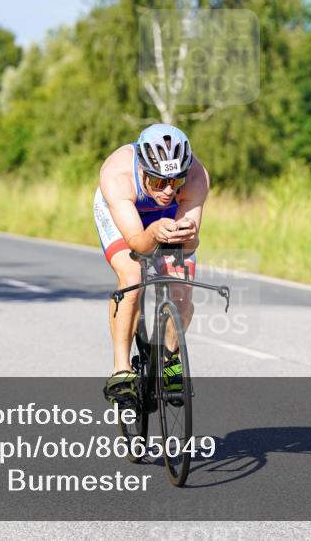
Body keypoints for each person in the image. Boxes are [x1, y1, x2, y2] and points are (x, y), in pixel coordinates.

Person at [93, 123, 210, 408]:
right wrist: (154, 232)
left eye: (176, 181)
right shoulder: (117, 175)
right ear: (143, 170)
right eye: (159, 182)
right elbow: (136, 242)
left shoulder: (197, 177)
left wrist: (186, 237)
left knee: (182, 290)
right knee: (133, 276)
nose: (169, 191)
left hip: (167, 220)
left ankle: (170, 358)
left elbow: (191, 245)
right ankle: (121, 368)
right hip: (126, 218)